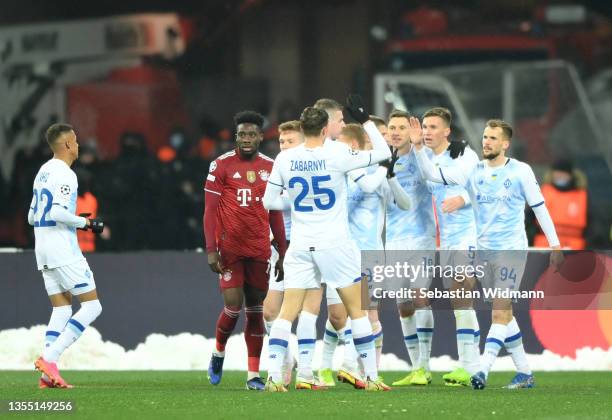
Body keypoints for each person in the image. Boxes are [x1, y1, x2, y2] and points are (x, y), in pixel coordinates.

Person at [410, 118, 563, 389]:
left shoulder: (520, 171)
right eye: (484, 137)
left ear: (505, 144)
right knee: (503, 313)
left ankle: (482, 370)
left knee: (498, 312)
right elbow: (433, 175)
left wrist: (555, 245)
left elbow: (539, 207)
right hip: (483, 252)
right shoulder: (475, 171)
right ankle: (525, 373)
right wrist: (419, 147)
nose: (486, 142)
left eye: (493, 138)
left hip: (510, 251)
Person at [263, 97, 392, 392]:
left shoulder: (285, 159)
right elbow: (384, 153)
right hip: (334, 244)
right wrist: (367, 122)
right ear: (324, 129)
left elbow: (269, 201)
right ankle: (371, 377)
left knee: (287, 313)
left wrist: (295, 201)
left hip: (301, 244)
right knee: (357, 310)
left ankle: (273, 377)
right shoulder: (337, 153)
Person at [203, 110, 287, 391]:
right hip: (229, 249)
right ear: (236, 136)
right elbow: (210, 211)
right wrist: (211, 249)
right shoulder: (221, 165)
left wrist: (283, 250)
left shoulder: (271, 167)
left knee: (255, 311)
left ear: (261, 137)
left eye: (252, 134)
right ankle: (218, 352)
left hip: (259, 249)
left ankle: (253, 375)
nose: (247, 139)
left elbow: (274, 211)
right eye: (242, 134)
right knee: (233, 306)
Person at [29, 123, 104, 388]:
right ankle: (50, 357)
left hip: (42, 247)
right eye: (76, 140)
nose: (79, 145)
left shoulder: (43, 172)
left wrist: (72, 218)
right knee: (93, 306)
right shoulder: (66, 174)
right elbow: (57, 213)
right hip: (63, 249)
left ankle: (46, 375)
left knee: (61, 308)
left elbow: (32, 216)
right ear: (68, 145)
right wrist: (87, 224)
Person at [418, 107, 481, 386]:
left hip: (467, 233)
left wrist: (463, 200)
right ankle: (471, 365)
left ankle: (471, 365)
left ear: (447, 131)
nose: (427, 132)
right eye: (424, 127)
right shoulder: (424, 157)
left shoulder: (463, 153)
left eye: (433, 127)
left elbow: (477, 187)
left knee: (461, 287)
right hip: (441, 239)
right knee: (459, 300)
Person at [383, 110, 437, 387]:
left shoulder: (422, 157)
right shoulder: (382, 161)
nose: (396, 131)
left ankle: (425, 366)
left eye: (402, 127)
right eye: (392, 127)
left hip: (421, 239)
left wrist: (419, 147)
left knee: (420, 297)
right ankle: (416, 367)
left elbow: (436, 178)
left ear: (410, 131)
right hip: (392, 242)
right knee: (403, 306)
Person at [533, 159, 587, 249]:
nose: (559, 176)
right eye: (557, 173)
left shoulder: (582, 195)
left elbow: (593, 225)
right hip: (544, 248)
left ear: (570, 175)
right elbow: (529, 219)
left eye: (563, 174)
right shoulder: (543, 192)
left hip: (574, 249)